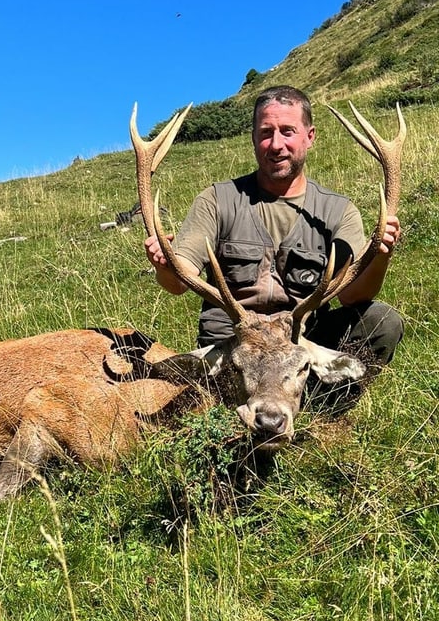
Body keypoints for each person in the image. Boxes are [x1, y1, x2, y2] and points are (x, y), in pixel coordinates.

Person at [143, 84, 403, 411]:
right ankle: (253, 408)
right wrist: (164, 266)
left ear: (310, 136)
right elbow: (179, 283)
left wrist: (381, 255)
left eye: (287, 131)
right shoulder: (216, 200)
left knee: (383, 321)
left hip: (300, 345)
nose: (276, 144)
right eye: (266, 133)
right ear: (253, 138)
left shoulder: (338, 211)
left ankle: (315, 413)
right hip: (235, 348)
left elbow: (352, 297)